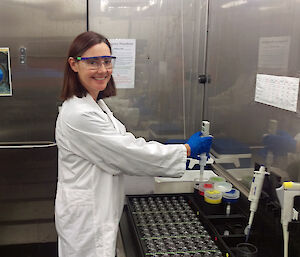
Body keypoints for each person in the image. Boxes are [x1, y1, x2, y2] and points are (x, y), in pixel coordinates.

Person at [54, 31, 212, 257]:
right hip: (87, 219)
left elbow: (123, 142)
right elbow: (127, 153)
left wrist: (172, 150)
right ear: (74, 64)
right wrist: (185, 150)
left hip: (95, 209)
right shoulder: (79, 114)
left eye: (107, 61)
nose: (103, 70)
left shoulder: (94, 105)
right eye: (93, 62)